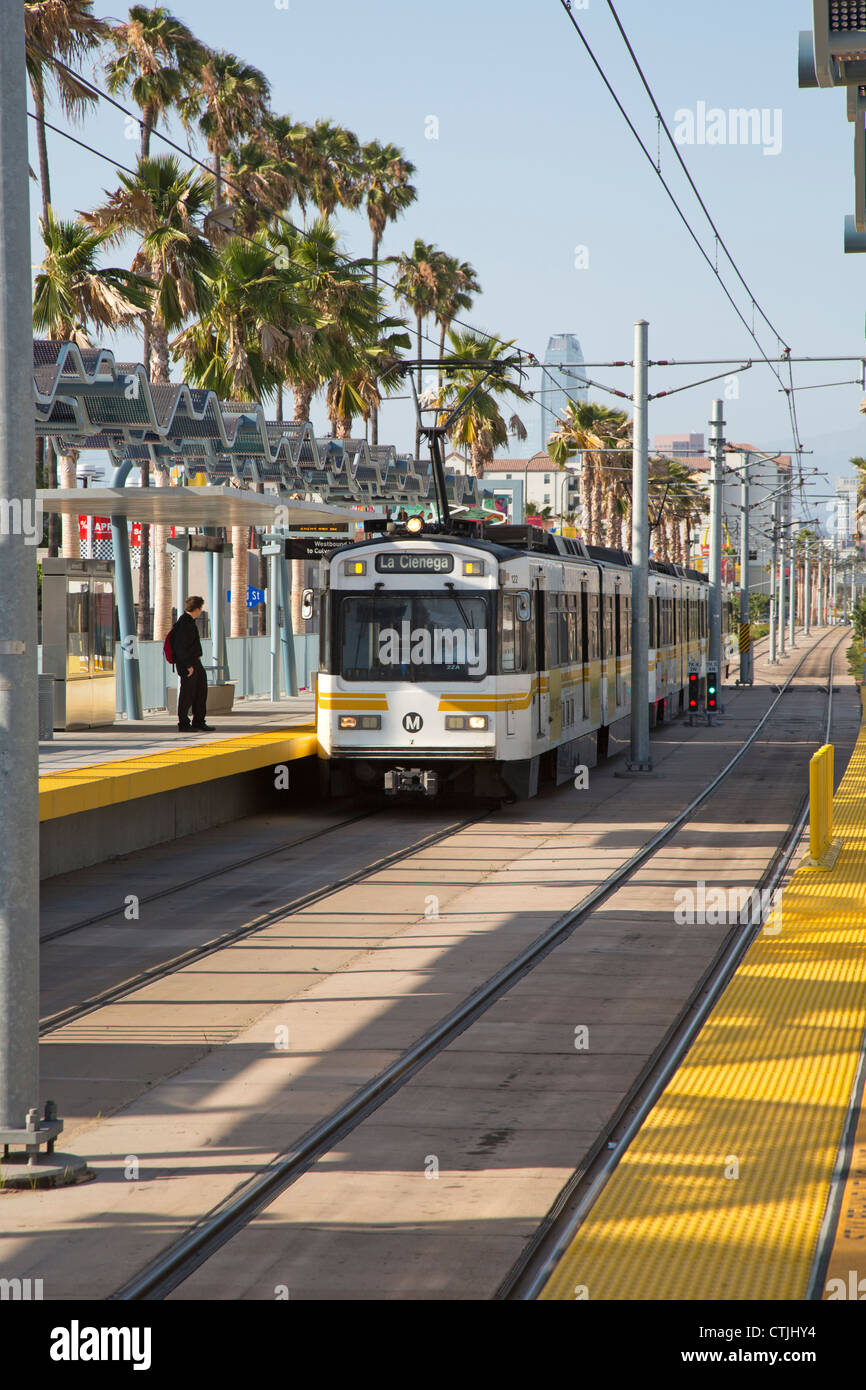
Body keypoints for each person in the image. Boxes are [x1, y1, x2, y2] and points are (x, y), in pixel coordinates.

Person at [171, 595, 214, 733]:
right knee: (187, 694)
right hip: (188, 664)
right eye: (200, 608)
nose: (201, 611)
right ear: (196, 609)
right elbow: (180, 647)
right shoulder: (184, 623)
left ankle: (199, 721)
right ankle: (183, 723)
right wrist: (188, 665)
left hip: (195, 662)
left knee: (201, 691)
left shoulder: (189, 622)